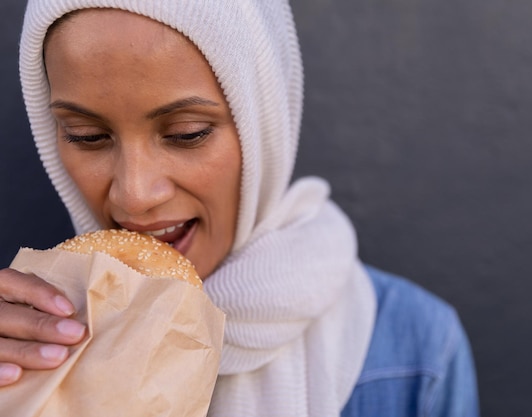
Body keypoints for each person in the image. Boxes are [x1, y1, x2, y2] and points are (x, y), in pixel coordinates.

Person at [0, 0, 480, 415]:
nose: (134, 194)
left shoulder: (418, 352)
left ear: (263, 124)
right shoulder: (24, 345)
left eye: (187, 133)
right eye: (87, 137)